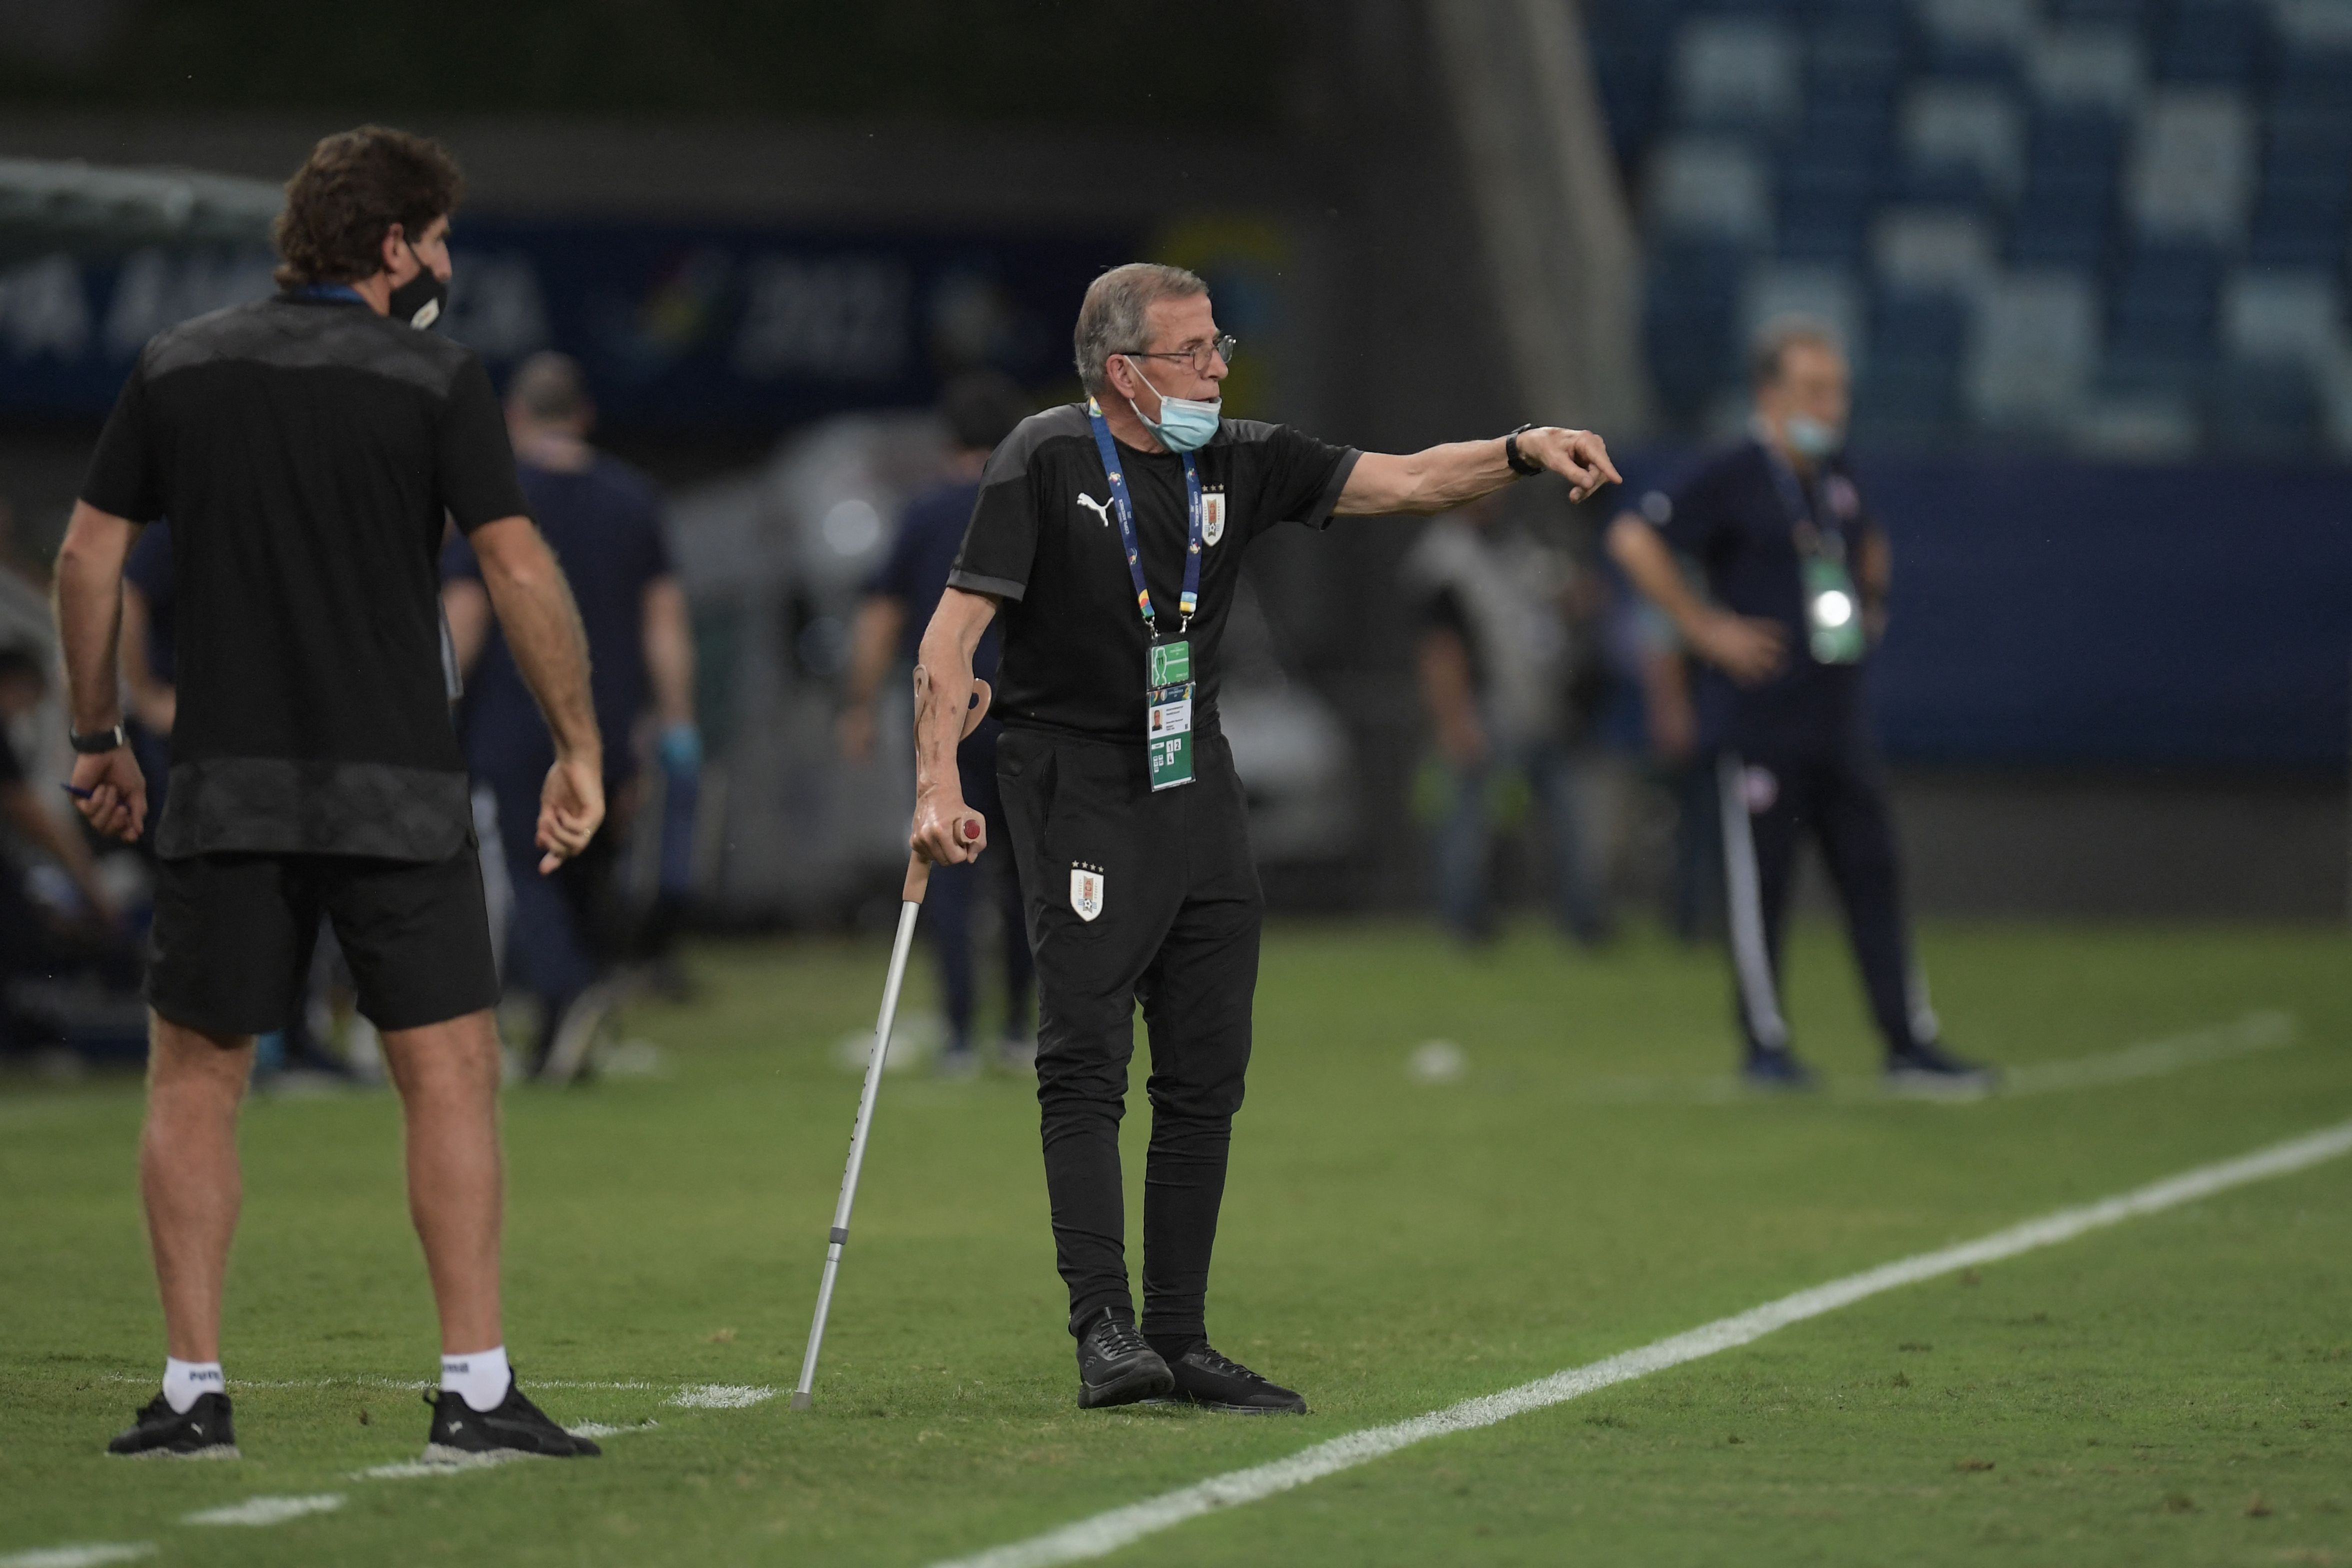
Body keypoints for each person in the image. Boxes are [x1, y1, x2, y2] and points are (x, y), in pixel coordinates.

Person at [910, 262, 1620, 1414]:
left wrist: (1523, 448)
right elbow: (949, 639)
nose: (1217, 369)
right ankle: (1103, 1327)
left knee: (1206, 1068)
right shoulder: (1043, 456)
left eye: (1219, 346)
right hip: (1074, 776)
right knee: (1085, 1054)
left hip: (1196, 773)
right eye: (1192, 352)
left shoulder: (1243, 457)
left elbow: (1407, 479)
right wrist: (937, 782)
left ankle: (1179, 1338)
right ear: (1124, 371)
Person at [54, 125, 607, 1462]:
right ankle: (475, 1390)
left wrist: (96, 735)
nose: (448, 266)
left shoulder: (178, 365)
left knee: (196, 1080)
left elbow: (86, 557)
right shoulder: (435, 378)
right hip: (394, 788)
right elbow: (517, 569)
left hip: (227, 785)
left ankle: (192, 1394)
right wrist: (578, 746)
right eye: (441, 241)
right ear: (393, 246)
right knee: (450, 1074)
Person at [1606, 318, 1992, 1093]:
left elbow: (1869, 541)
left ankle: (1906, 1040)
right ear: (1770, 394)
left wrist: (1871, 600)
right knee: (1763, 889)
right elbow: (1634, 539)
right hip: (1760, 719)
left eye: (1838, 390)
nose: (1832, 406)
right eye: (1815, 390)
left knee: (1873, 874)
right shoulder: (1733, 471)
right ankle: (1766, 1044)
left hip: (1836, 715)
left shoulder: (1834, 474)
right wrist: (1704, 628)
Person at [441, 352, 698, 1085]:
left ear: (515, 417)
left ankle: (567, 989)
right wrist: (676, 720)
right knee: (589, 867)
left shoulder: (493, 494)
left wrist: (429, 706)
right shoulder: (635, 500)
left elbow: (466, 619)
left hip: (513, 716)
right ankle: (567, 1032)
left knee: (532, 868)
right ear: (584, 415)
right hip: (607, 721)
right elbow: (663, 623)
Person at [840, 372, 1036, 1076]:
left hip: (944, 720)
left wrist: (859, 705)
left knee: (948, 869)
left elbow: (882, 616)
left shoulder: (924, 514)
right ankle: (1018, 1029)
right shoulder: (1033, 505)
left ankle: (958, 1035)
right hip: (1026, 711)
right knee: (1026, 874)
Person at [1406, 492, 1614, 946]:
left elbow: (1566, 596)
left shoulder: (1517, 543)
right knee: (1469, 825)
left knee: (1570, 818)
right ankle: (1465, 921)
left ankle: (1584, 918)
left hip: (1543, 705)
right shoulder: (1444, 560)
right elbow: (1440, 652)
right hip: (1485, 710)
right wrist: (1456, 721)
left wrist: (1578, 594)